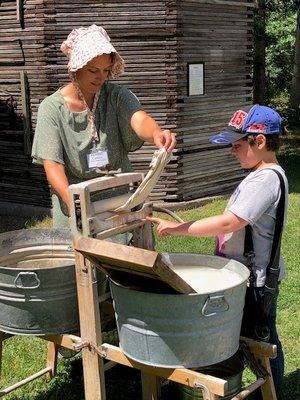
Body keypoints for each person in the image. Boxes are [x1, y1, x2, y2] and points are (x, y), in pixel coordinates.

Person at [148, 104, 288, 398]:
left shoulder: (264, 179)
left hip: (255, 282)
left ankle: (272, 390)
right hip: (251, 276)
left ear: (259, 141)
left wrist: (177, 228)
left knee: (261, 342)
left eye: (237, 145)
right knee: (256, 338)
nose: (232, 151)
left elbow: (229, 221)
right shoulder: (262, 174)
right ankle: (267, 388)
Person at [32, 24, 176, 227]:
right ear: (76, 67)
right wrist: (76, 206)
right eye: (93, 70)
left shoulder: (116, 96)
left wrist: (156, 134)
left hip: (120, 201)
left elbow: (139, 118)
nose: (101, 77)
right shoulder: (52, 109)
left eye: (106, 70)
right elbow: (53, 165)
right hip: (78, 205)